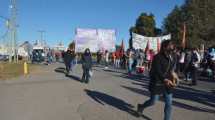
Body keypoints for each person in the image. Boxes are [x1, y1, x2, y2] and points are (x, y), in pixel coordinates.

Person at [137, 40, 176, 120]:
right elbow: (157, 70)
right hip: (157, 81)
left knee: (169, 103)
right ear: (164, 47)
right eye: (170, 46)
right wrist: (164, 79)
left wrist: (174, 74)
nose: (172, 48)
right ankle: (141, 106)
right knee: (153, 101)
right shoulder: (157, 57)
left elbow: (171, 69)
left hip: (168, 83)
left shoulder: (173, 56)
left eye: (172, 46)